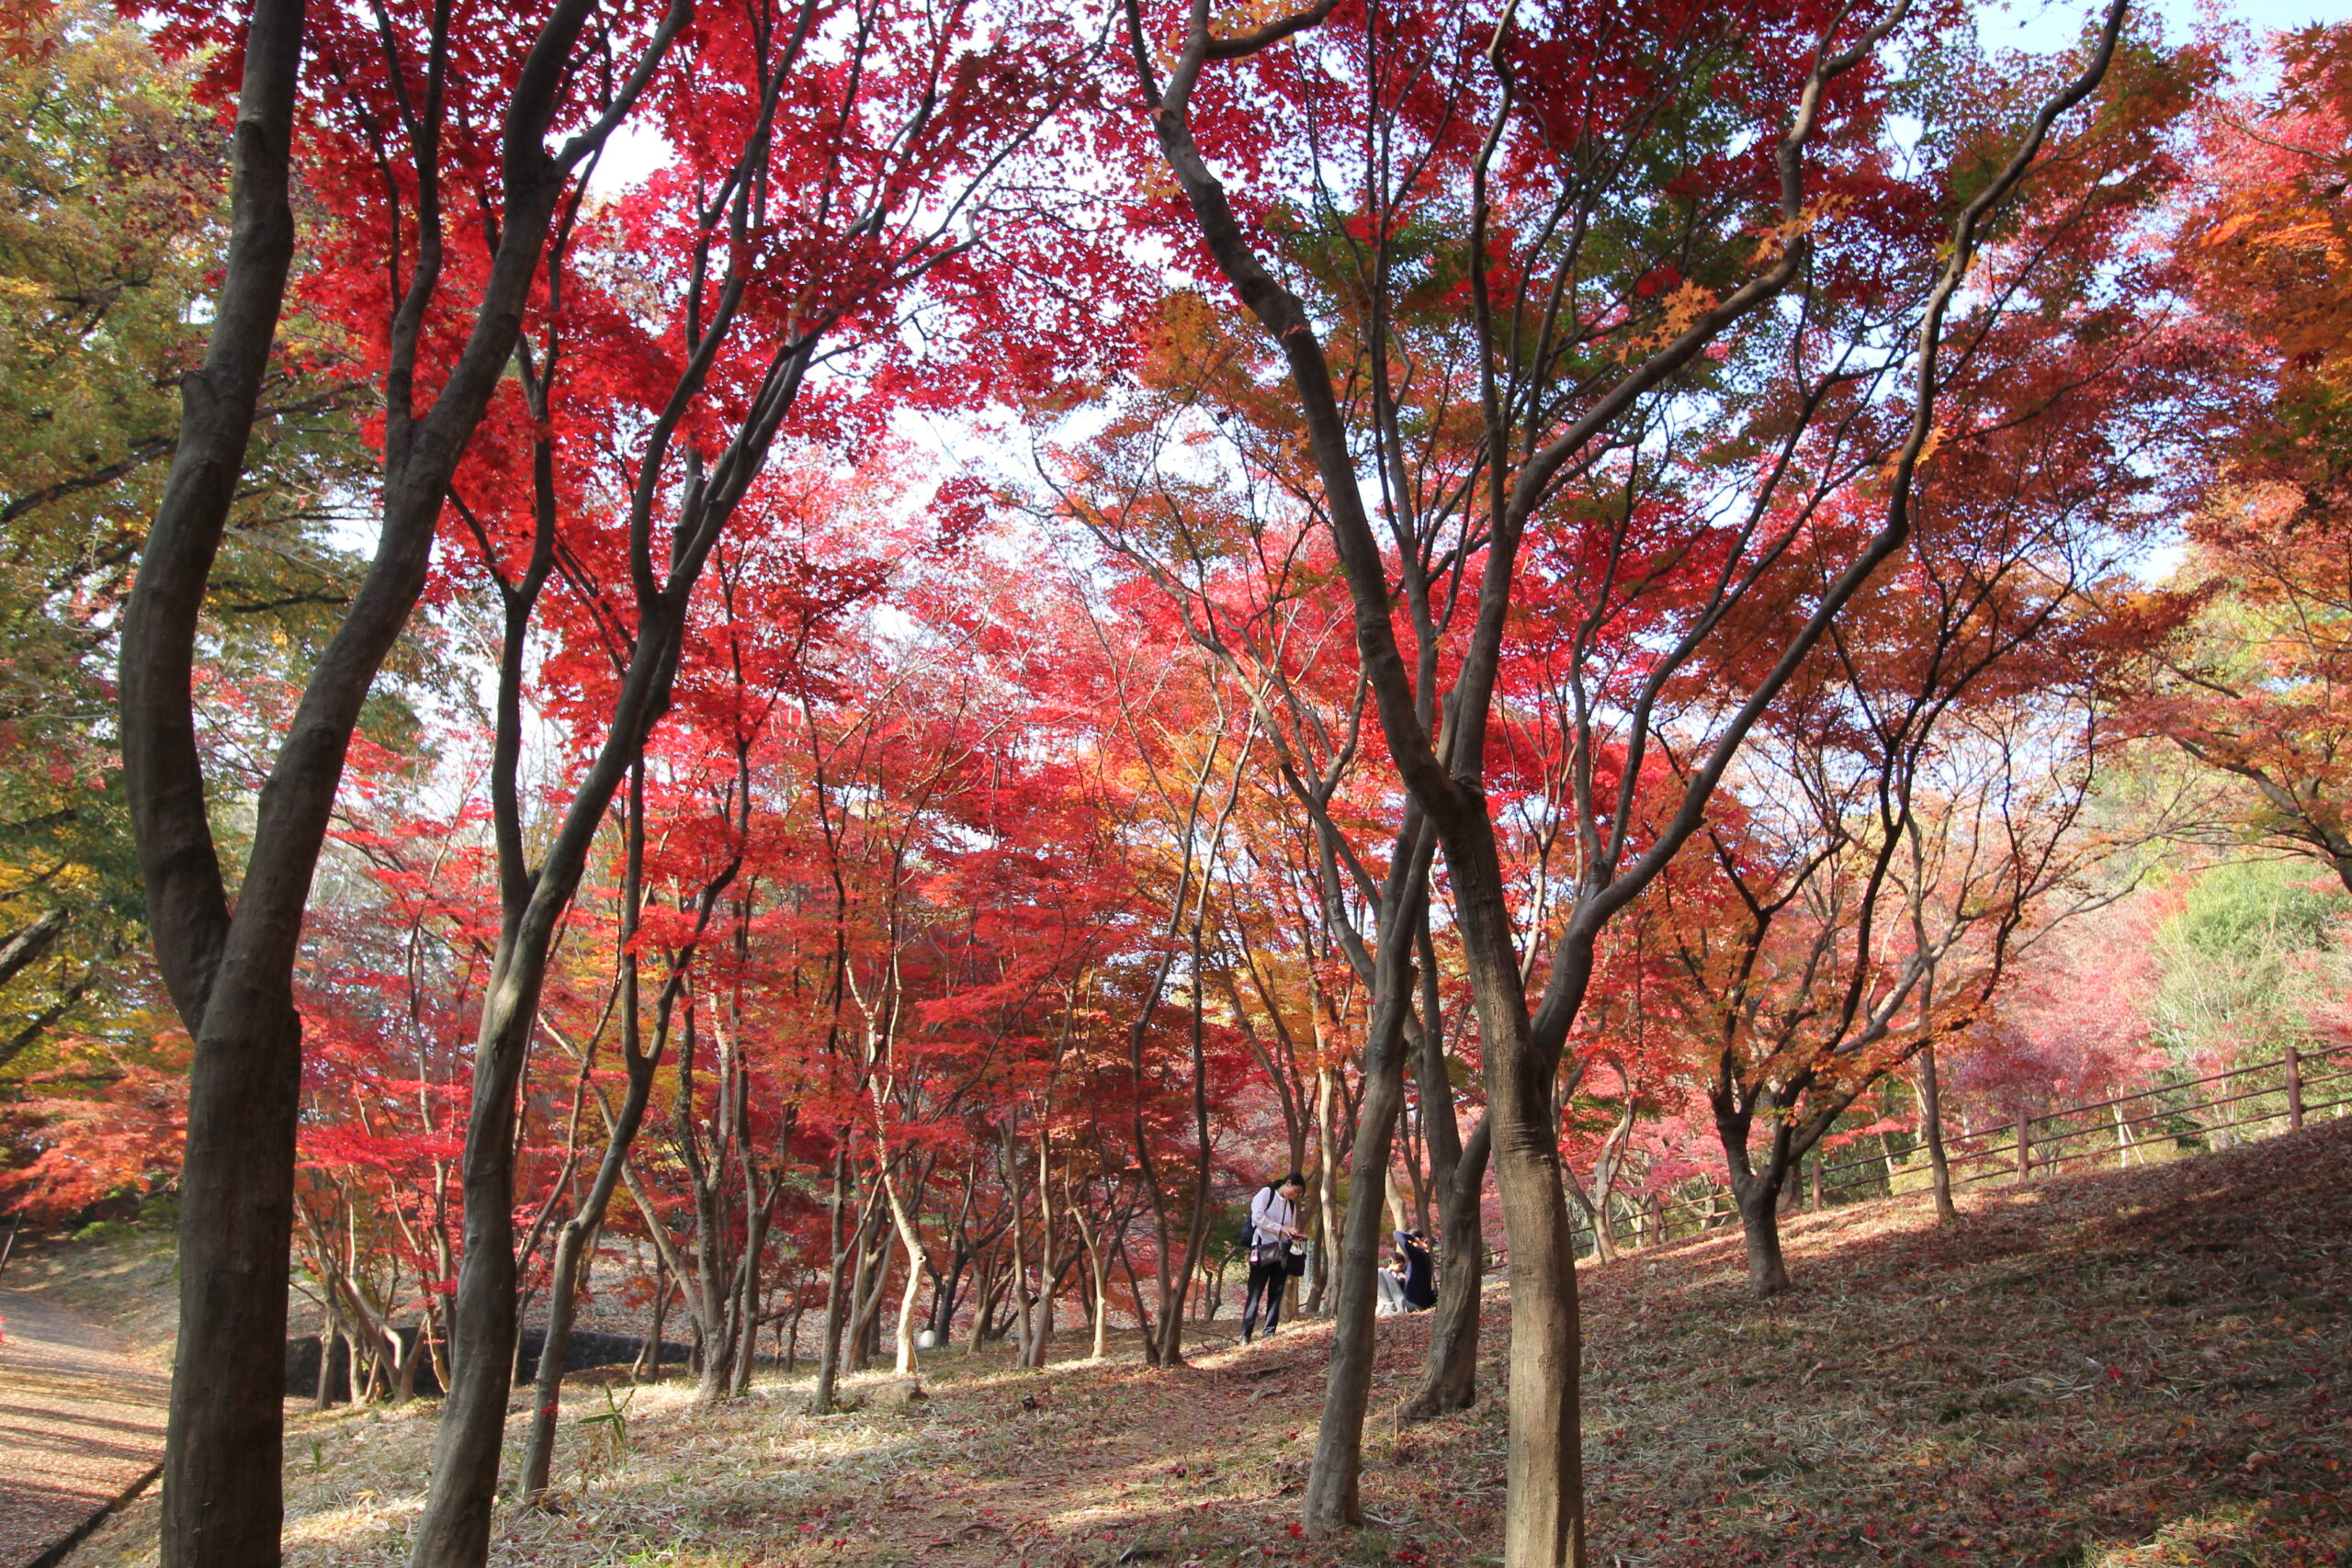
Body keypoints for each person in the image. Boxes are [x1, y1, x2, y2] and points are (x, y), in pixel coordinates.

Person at [1241, 1171, 1306, 1342]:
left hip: (1281, 1252)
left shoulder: (1291, 1206)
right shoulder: (1266, 1194)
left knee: (1276, 1293)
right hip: (1263, 1248)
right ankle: (1245, 1334)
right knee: (1255, 1292)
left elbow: (1289, 1229)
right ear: (1288, 1183)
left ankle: (1269, 1332)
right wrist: (1280, 1228)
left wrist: (1294, 1237)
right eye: (1296, 1191)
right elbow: (1258, 1218)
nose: (1295, 1195)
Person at [1395, 1227, 1436, 1311]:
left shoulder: (1418, 1255)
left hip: (1412, 1304)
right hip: (1417, 1303)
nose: (1407, 1245)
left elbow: (1396, 1233)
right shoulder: (1423, 1256)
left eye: (1409, 1242)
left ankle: (1389, 1306)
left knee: (1381, 1272)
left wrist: (1415, 1240)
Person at [1376, 1247, 1408, 1315]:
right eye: (1400, 1266)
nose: (1401, 1268)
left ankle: (1390, 1308)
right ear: (1392, 1263)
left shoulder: (1400, 1274)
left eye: (1402, 1266)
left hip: (1398, 1300)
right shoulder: (1386, 1274)